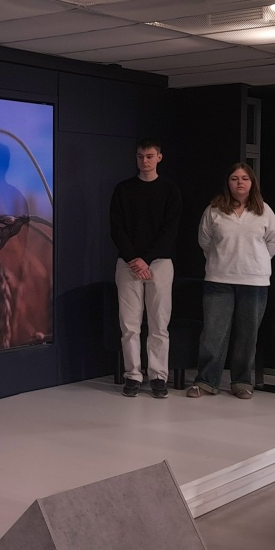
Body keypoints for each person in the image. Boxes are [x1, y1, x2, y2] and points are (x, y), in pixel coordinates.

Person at [186, 163, 275, 399]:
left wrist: (254, 262)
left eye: (244, 178)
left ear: (252, 183)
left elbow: (273, 242)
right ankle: (206, 381)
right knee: (213, 334)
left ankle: (242, 382)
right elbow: (205, 241)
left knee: (247, 335)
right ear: (227, 183)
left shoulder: (264, 211)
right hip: (219, 279)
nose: (239, 182)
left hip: (255, 281)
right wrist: (224, 260)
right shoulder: (214, 210)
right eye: (234, 178)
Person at [109, 138, 182, 399]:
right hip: (128, 264)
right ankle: (133, 375)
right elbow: (116, 227)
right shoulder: (123, 189)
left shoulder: (170, 190)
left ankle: (158, 376)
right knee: (129, 324)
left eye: (149, 156)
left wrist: (146, 259)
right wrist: (134, 259)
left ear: (159, 157)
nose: (145, 161)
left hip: (159, 264)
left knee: (159, 323)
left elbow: (170, 230)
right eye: (140, 156)